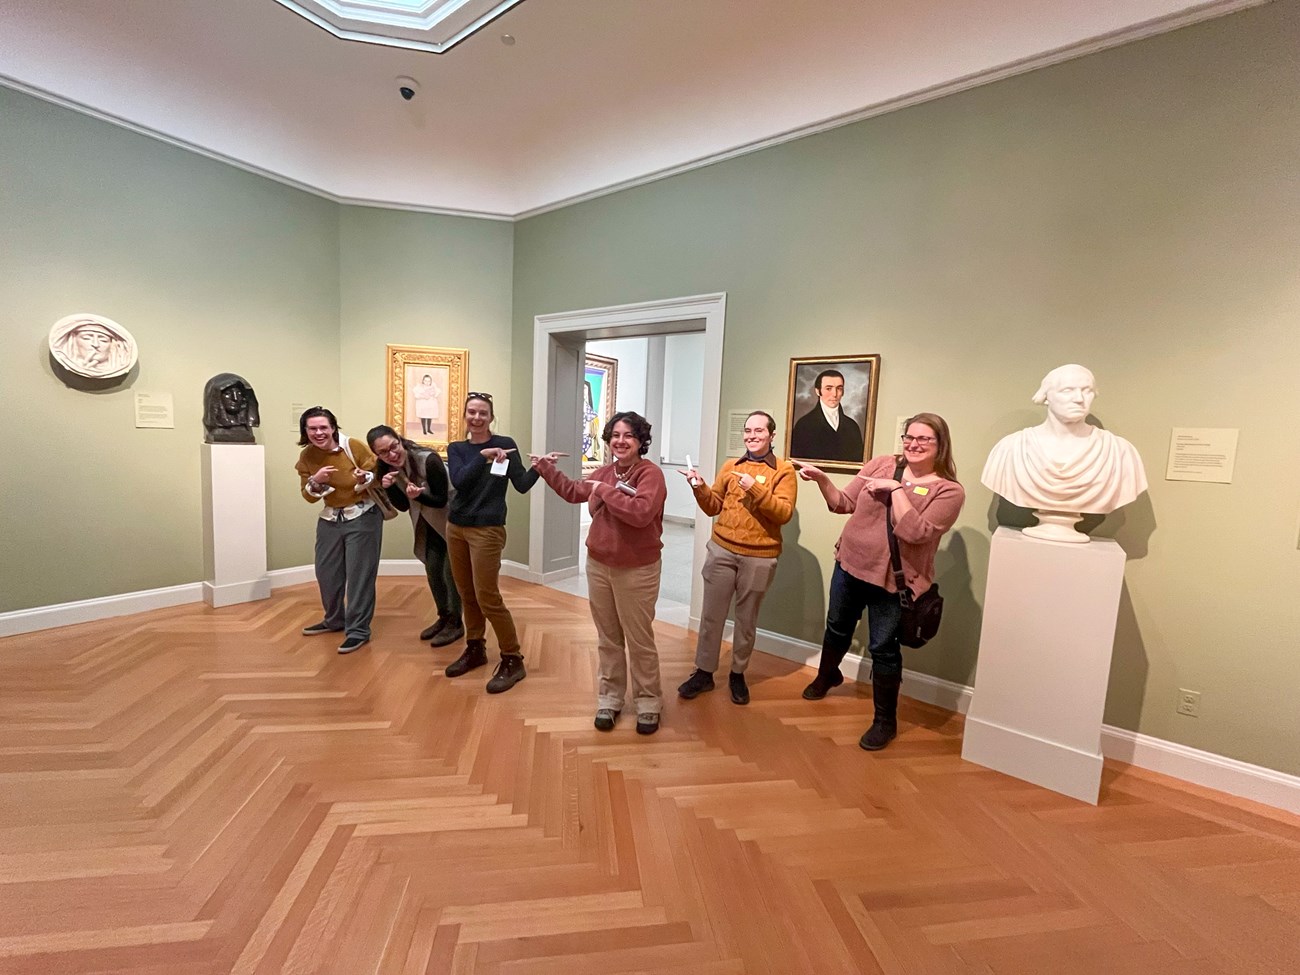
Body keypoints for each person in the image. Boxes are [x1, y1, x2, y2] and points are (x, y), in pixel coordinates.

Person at [797, 413, 964, 750]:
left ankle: (885, 721)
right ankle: (827, 674)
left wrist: (896, 490)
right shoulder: (881, 464)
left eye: (923, 439)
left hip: (894, 582)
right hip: (849, 564)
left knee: (883, 650)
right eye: (909, 437)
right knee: (837, 627)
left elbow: (915, 533)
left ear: (940, 445)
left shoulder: (949, 491)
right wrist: (822, 480)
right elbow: (842, 504)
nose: (913, 444)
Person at [531, 412, 667, 734]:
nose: (620, 441)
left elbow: (641, 513)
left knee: (639, 639)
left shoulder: (651, 474)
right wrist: (545, 468)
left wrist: (604, 491)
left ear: (640, 441)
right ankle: (610, 699)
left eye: (628, 436)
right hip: (599, 565)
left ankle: (649, 702)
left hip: (637, 569)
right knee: (608, 638)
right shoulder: (606, 472)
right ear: (608, 439)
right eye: (615, 435)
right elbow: (574, 491)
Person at [676, 410, 797, 706]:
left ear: (772, 435)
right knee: (711, 615)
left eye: (759, 431)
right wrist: (698, 485)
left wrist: (753, 487)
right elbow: (713, 507)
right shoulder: (731, 465)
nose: (752, 436)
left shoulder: (784, 471)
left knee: (746, 620)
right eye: (748, 430)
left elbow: (783, 513)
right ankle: (704, 673)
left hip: (759, 557)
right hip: (721, 550)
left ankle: (737, 674)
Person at [443, 392, 539, 693]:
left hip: (487, 530)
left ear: (491, 417)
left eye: (482, 413)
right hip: (456, 527)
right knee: (466, 593)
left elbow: (521, 485)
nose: (476, 418)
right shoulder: (457, 448)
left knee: (488, 596)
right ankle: (476, 647)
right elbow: (460, 481)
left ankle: (513, 658)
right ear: (465, 416)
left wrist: (540, 468)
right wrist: (482, 458)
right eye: (471, 412)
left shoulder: (506, 445)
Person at [981, 363, 1147, 521]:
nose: (1079, 399)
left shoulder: (1120, 452)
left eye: (1087, 391)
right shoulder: (1010, 449)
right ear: (1046, 396)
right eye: (1067, 390)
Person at [366, 425, 464, 648]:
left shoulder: (428, 460)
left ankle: (456, 624)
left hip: (452, 522)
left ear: (400, 440)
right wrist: (389, 488)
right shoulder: (386, 468)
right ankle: (444, 617)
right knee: (433, 571)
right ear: (377, 454)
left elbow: (440, 499)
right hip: (427, 524)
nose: (392, 454)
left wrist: (419, 497)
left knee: (451, 575)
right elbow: (401, 506)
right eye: (384, 452)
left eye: (394, 446)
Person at [294, 407, 383, 654]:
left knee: (359, 576)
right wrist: (316, 480)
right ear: (306, 431)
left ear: (333, 427)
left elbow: (377, 473)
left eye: (324, 427)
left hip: (362, 516)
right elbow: (308, 496)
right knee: (327, 573)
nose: (319, 432)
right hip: (330, 519)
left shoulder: (352, 447)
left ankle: (358, 631)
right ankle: (334, 620)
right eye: (313, 428)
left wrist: (363, 477)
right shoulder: (308, 456)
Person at [788, 369, 865, 462]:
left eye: (839, 388)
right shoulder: (804, 425)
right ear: (818, 391)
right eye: (829, 388)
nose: (835, 394)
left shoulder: (852, 426)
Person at [202, 372, 260, 444]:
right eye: (228, 394)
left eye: (239, 393)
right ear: (217, 398)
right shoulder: (217, 431)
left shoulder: (245, 430)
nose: (235, 398)